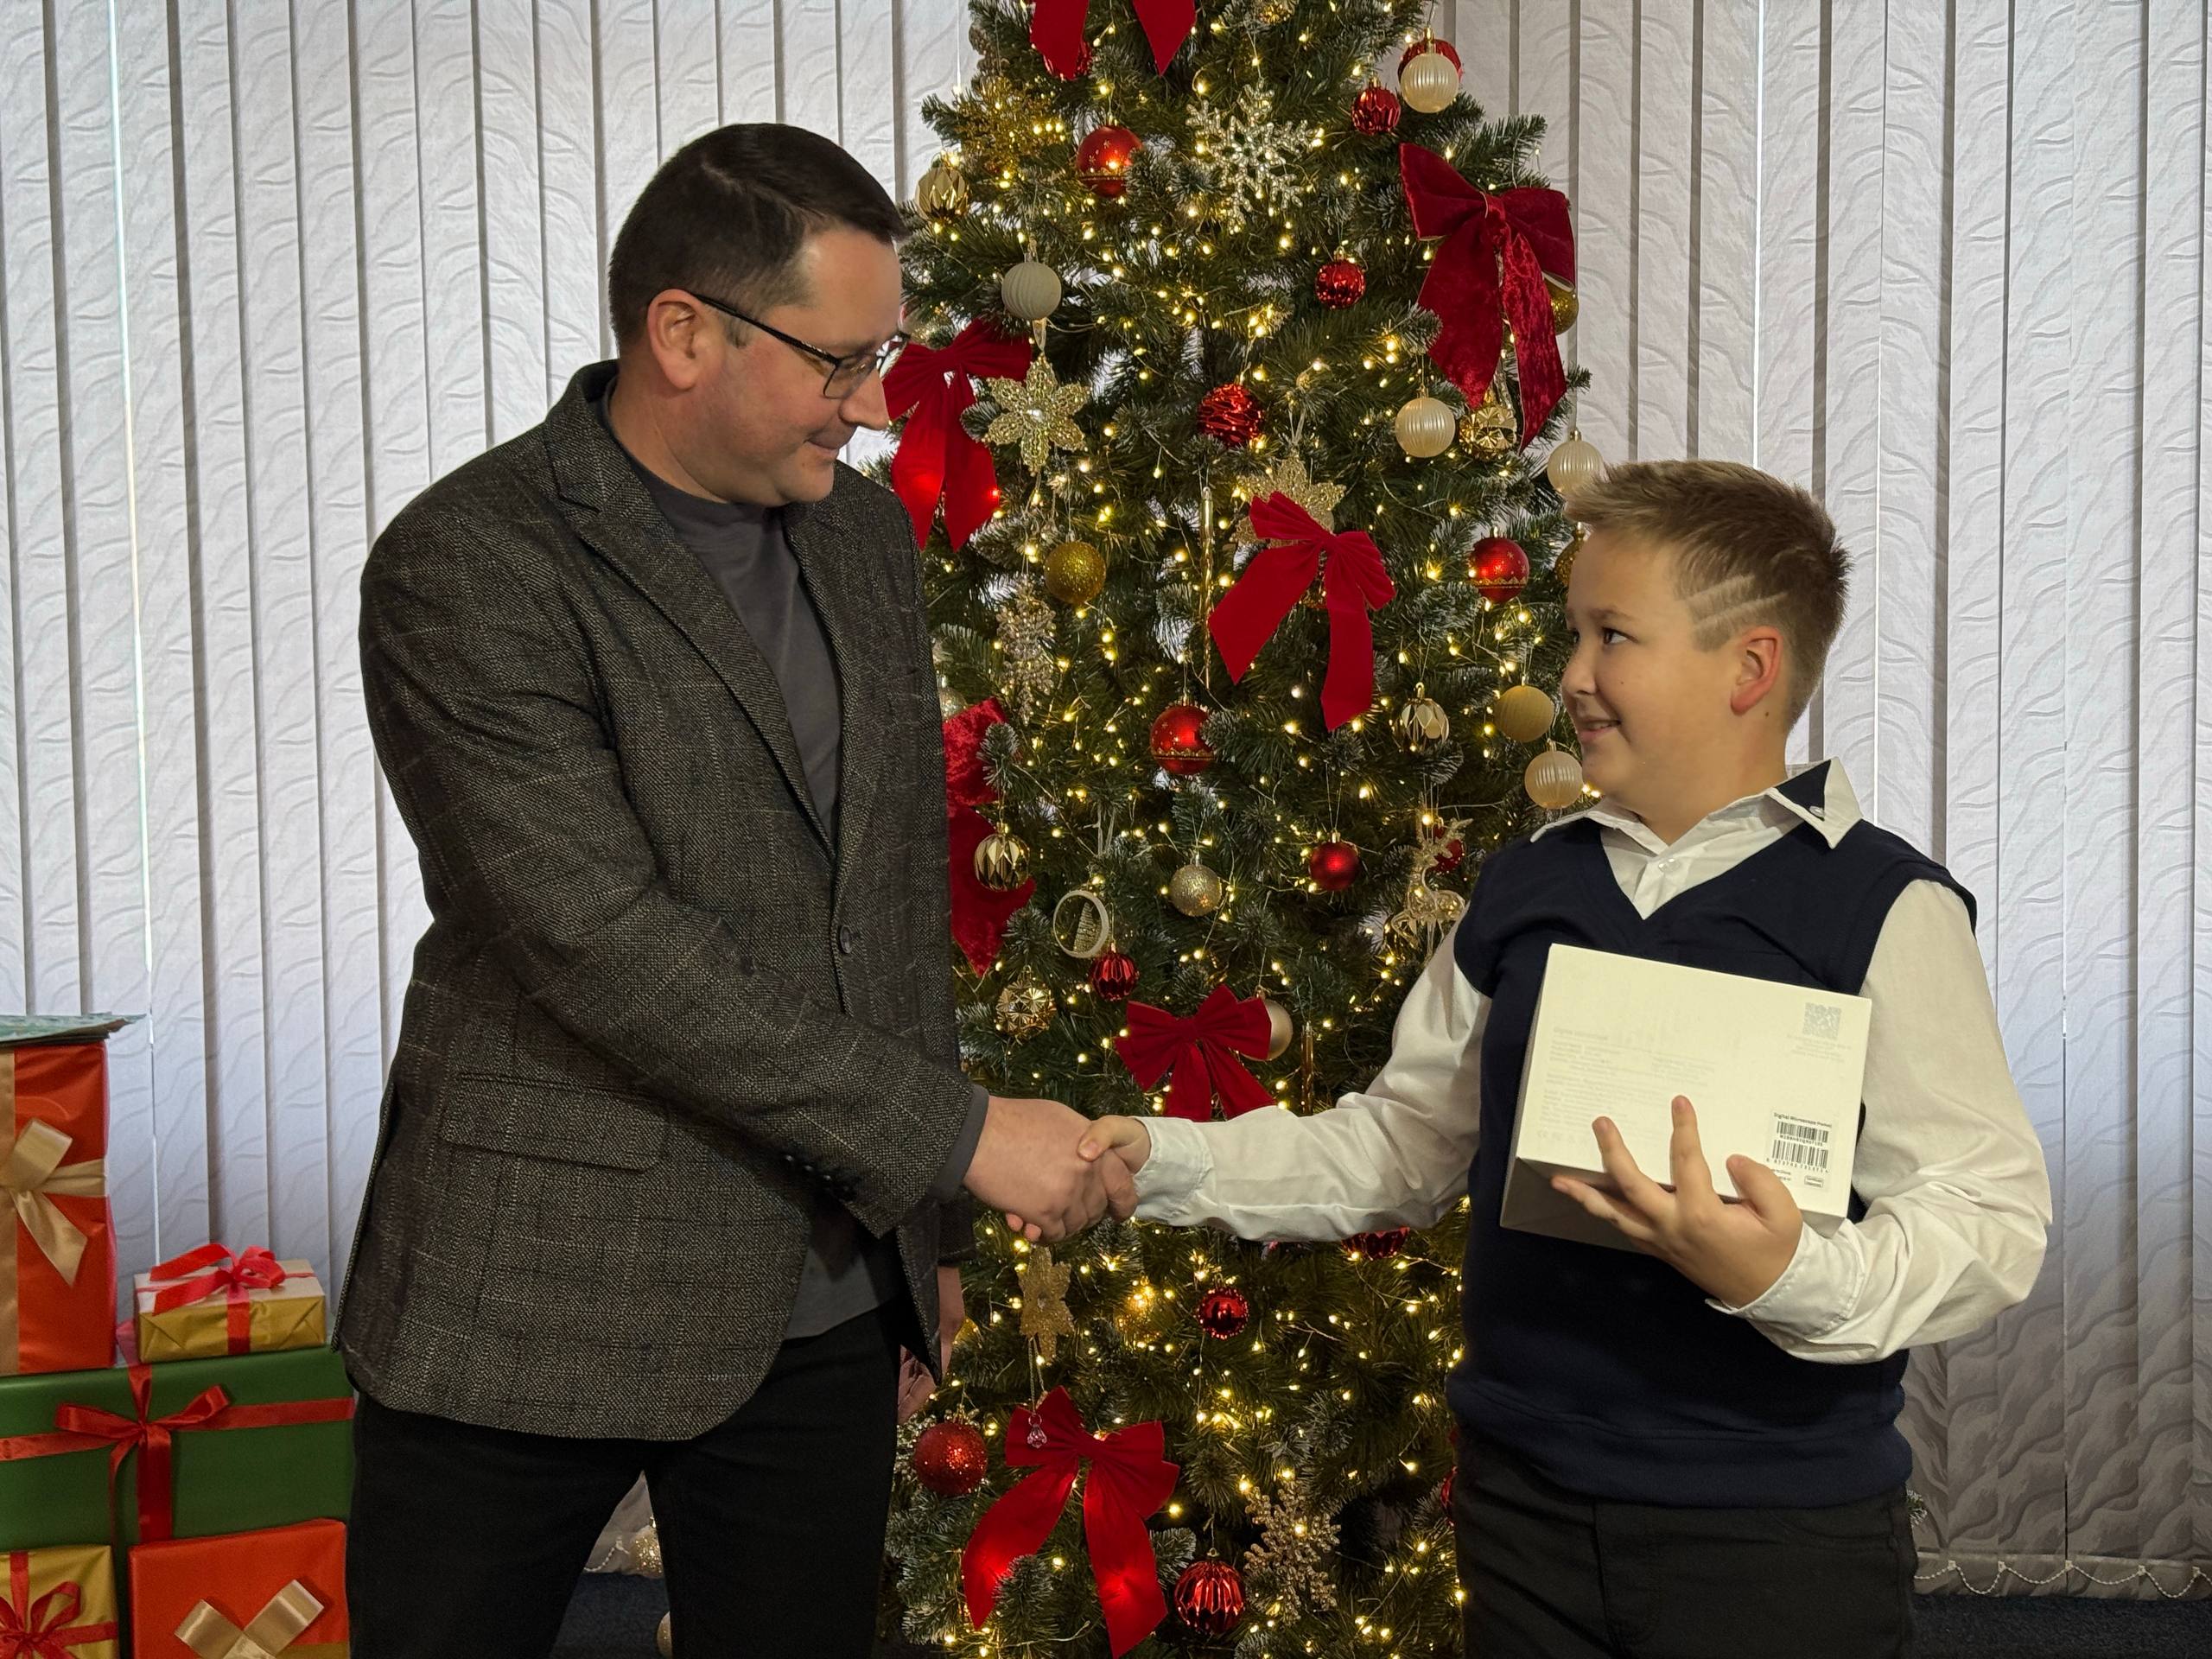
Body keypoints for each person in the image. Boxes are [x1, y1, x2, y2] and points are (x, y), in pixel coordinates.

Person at [337, 123, 1128, 1659]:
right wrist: (959, 1139)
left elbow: (887, 906)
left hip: (820, 1298)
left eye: (885, 357)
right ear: (684, 334)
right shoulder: (469, 564)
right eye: (841, 362)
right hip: (533, 1296)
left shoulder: (864, 540)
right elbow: (604, 945)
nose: (877, 406)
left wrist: (927, 1242)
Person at [1076, 461, 2050, 1658]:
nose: (1573, 675)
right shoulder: (1528, 885)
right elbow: (1400, 1147)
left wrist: (1784, 1274)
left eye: (1612, 637)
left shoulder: (1887, 909)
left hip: (1774, 1532)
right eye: (1574, 632)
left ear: (1749, 669)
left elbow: (1988, 1216)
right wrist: (1161, 1158)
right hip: (1520, 1508)